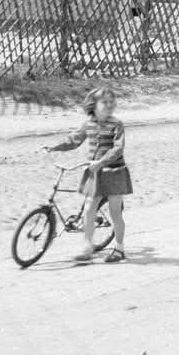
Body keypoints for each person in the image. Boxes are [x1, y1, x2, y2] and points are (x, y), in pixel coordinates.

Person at [43, 86, 132, 263]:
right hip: (95, 173)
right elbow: (74, 140)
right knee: (89, 208)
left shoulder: (116, 124)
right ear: (94, 104)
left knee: (115, 212)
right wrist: (54, 147)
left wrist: (101, 161)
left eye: (111, 102)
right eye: (104, 102)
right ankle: (87, 247)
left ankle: (119, 248)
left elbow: (118, 148)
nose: (109, 105)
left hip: (114, 172)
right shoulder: (88, 124)